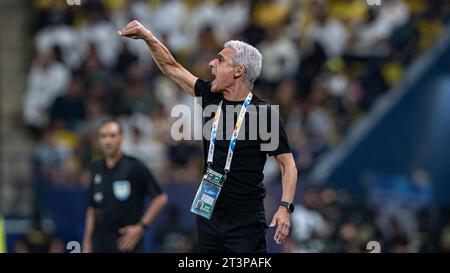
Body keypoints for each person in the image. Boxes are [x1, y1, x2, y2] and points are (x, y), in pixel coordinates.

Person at [118, 20, 298, 253]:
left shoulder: (262, 114)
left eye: (220, 60)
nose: (212, 63)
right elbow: (171, 67)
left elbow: (288, 165)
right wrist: (148, 37)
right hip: (207, 212)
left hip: (244, 220)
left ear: (238, 71)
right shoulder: (211, 97)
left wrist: (285, 207)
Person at [82, 119, 168, 253]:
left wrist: (141, 227)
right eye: (103, 136)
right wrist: (86, 243)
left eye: (112, 135)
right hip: (101, 241)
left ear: (122, 138)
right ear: (99, 140)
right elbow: (92, 208)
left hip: (128, 241)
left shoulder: (134, 166)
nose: (108, 141)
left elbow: (160, 198)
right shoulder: (95, 168)